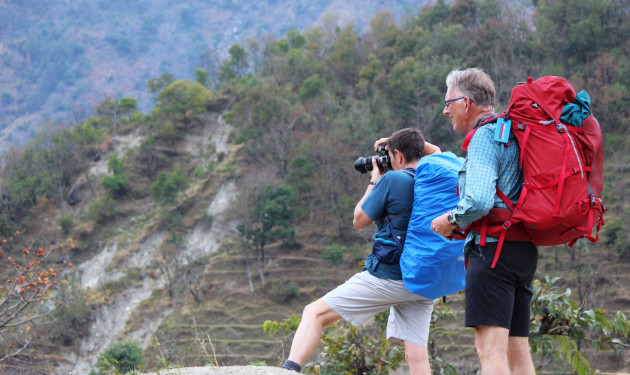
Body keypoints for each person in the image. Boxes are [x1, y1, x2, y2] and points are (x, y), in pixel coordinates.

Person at [281, 128, 436, 374]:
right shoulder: (435, 174)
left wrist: (375, 179)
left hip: (390, 276)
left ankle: (287, 370)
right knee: (417, 354)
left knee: (314, 313)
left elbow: (359, 219)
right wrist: (403, 143)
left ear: (397, 154)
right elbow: (435, 151)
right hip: (425, 280)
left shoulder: (392, 180)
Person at [431, 67, 537, 375]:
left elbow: (478, 201)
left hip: (492, 253)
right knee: (518, 352)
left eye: (449, 102)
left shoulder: (483, 137)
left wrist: (449, 221)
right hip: (522, 251)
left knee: (490, 351)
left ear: (466, 102)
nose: (445, 110)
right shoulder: (512, 133)